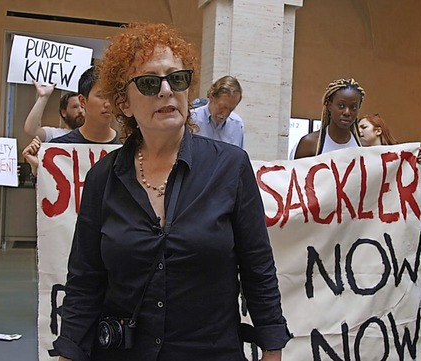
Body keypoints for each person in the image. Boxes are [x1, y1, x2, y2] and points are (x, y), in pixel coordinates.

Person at [49, 23, 290, 361]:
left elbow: (258, 266)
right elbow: (85, 281)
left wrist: (272, 347)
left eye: (176, 79)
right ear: (125, 104)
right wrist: (68, 352)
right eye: (149, 82)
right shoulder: (103, 179)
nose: (166, 91)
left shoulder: (230, 167)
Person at [22, 66, 120, 175]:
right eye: (101, 96)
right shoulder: (58, 147)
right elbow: (49, 189)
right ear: (83, 101)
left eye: (112, 95)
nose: (108, 103)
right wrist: (38, 169)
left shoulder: (128, 146)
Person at [291, 78, 365, 159]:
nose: (347, 112)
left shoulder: (363, 147)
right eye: (341, 106)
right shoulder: (310, 143)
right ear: (329, 105)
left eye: (353, 107)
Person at [190, 75, 245, 148]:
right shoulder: (191, 119)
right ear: (212, 96)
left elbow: (239, 158)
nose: (225, 114)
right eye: (222, 107)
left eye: (231, 109)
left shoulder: (237, 124)